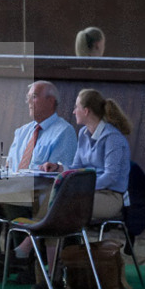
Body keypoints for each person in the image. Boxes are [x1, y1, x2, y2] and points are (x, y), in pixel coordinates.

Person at [0, 80, 78, 280]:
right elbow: (11, 166)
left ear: (50, 101)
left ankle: (26, 259)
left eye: (33, 97)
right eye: (28, 97)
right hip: (14, 189)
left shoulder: (64, 132)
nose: (28, 102)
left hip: (40, 197)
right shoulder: (22, 132)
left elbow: (60, 176)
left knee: (11, 199)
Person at [42, 87, 132, 225]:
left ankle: (32, 243)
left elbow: (111, 176)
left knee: (62, 202)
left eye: (76, 107)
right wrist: (58, 168)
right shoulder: (83, 133)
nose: (73, 111)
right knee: (46, 197)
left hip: (110, 197)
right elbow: (77, 167)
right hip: (88, 192)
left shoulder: (113, 138)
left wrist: (83, 187)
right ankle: (47, 244)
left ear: (86, 111)